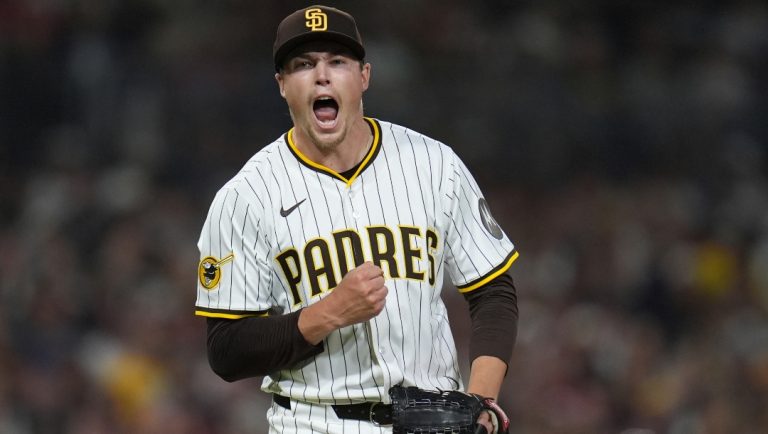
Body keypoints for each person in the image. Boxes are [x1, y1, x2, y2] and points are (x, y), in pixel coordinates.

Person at [195, 5, 519, 433]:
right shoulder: (246, 196)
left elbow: (494, 290)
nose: (322, 76)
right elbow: (226, 351)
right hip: (314, 422)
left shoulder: (434, 165)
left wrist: (482, 399)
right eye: (303, 65)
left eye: (338, 62)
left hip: (434, 421)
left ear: (363, 76)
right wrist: (326, 314)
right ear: (282, 86)